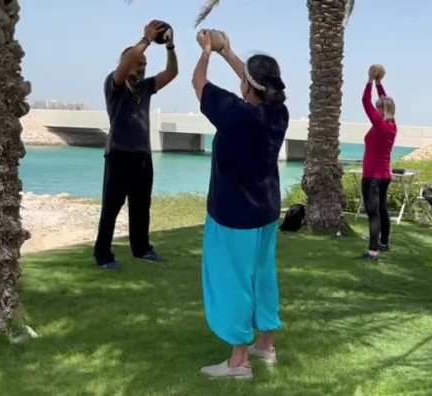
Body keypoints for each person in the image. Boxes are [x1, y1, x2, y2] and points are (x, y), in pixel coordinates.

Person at [192, 30, 288, 380]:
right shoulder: (279, 114)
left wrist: (207, 53)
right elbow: (256, 86)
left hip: (233, 215)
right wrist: (228, 53)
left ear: (248, 85)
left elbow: (198, 82)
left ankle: (238, 362)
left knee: (232, 282)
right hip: (265, 213)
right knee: (263, 277)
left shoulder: (234, 113)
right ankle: (266, 345)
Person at [94, 20, 178, 270]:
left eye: (144, 65)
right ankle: (103, 256)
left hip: (142, 156)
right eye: (138, 63)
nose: (141, 67)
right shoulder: (115, 84)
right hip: (119, 155)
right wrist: (146, 40)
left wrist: (170, 46)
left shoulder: (146, 87)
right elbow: (129, 59)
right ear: (125, 63)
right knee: (111, 208)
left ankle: (141, 249)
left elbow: (172, 73)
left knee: (141, 207)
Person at [359, 68, 398, 260]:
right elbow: (384, 101)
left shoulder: (381, 126)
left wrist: (369, 81)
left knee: (373, 213)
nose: (375, 108)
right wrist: (378, 83)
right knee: (382, 210)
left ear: (383, 110)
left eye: (378, 107)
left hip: (372, 177)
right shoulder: (392, 125)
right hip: (384, 177)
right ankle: (384, 243)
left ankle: (373, 252)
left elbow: (365, 102)